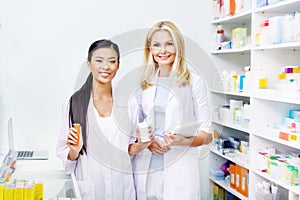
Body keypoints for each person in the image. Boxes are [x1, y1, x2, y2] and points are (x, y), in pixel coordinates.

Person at [128, 21, 212, 200]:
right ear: (149, 49)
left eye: (169, 44)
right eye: (157, 45)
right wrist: (148, 142)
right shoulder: (144, 83)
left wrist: (183, 141)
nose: (162, 50)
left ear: (178, 47)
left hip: (179, 165)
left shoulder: (194, 82)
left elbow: (207, 134)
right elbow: (137, 126)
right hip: (147, 164)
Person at [56, 39, 135, 200]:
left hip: (122, 188)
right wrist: (74, 150)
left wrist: (145, 144)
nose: (105, 67)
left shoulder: (129, 102)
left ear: (118, 65)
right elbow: (65, 156)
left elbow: (130, 148)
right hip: (90, 190)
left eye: (111, 61)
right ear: (89, 64)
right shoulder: (73, 103)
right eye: (99, 60)